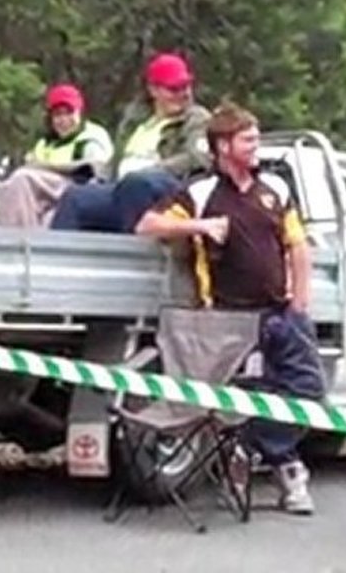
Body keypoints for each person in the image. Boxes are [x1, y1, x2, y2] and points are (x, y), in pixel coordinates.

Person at [134, 102, 326, 514]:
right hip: (226, 319)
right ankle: (287, 471)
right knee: (245, 396)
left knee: (308, 392)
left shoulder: (276, 188)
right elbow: (147, 225)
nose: (256, 146)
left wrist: (300, 302)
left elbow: (297, 246)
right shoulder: (202, 192)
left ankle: (252, 447)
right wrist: (198, 226)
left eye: (256, 138)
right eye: (248, 139)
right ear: (223, 145)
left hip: (280, 314)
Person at [49, 52, 211, 233]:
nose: (183, 94)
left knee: (137, 183)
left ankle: (132, 255)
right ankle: (56, 258)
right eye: (174, 89)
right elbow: (116, 159)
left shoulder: (196, 119)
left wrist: (156, 169)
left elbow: (197, 158)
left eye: (186, 87)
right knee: (76, 197)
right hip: (120, 187)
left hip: (164, 190)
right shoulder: (137, 120)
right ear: (153, 90)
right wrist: (98, 177)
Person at [0, 84, 113, 227]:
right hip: (43, 198)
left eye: (68, 113)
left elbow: (94, 169)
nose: (63, 120)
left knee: (23, 178)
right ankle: (16, 238)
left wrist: (45, 166)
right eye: (58, 115)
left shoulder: (92, 135)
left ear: (79, 113)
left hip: (77, 190)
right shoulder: (45, 144)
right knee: (9, 189)